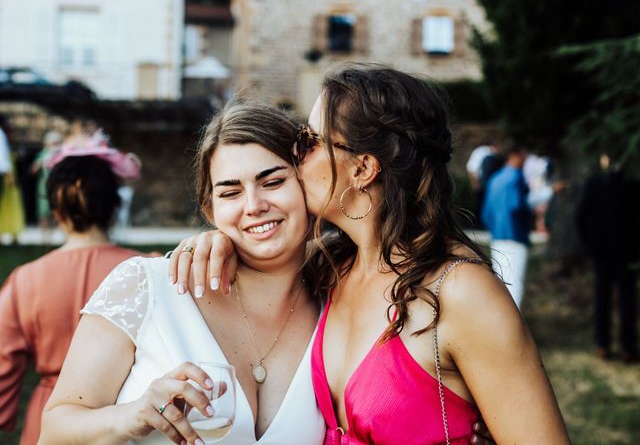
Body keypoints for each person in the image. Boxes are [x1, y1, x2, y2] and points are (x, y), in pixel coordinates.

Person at [170, 65, 570, 444]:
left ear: (362, 168)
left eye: (309, 141)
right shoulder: (332, 267)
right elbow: (264, 261)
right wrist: (217, 242)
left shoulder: (462, 293)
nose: (295, 153)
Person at [40, 100, 326, 445]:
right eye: (230, 192)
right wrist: (131, 416)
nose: (254, 206)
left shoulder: (335, 302)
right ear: (211, 208)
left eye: (273, 181)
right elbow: (53, 432)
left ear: (307, 185)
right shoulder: (146, 287)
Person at [0, 134, 141, 445]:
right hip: (122, 420)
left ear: (55, 209)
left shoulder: (24, 279)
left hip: (49, 424)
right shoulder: (148, 270)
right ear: (113, 205)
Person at [576, 153, 639, 363]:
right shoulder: (630, 183)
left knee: (605, 298)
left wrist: (590, 244)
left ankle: (605, 344)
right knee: (625, 299)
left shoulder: (597, 183)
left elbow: (581, 216)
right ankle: (626, 346)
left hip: (606, 251)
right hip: (624, 250)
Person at [481, 143, 531, 308]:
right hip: (515, 234)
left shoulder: (495, 179)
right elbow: (516, 206)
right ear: (516, 155)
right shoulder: (517, 177)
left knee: (501, 284)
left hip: (497, 236)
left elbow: (486, 212)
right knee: (515, 285)